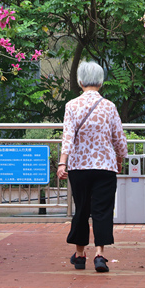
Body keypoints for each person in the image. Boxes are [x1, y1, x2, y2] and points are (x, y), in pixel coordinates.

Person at [57, 61, 127, 273]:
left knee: (82, 210)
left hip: (79, 168)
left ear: (80, 81)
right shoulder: (109, 106)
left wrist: (63, 162)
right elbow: (119, 139)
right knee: (102, 211)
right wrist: (121, 160)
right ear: (101, 82)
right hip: (105, 167)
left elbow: (67, 137)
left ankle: (79, 256)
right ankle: (99, 255)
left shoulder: (71, 106)